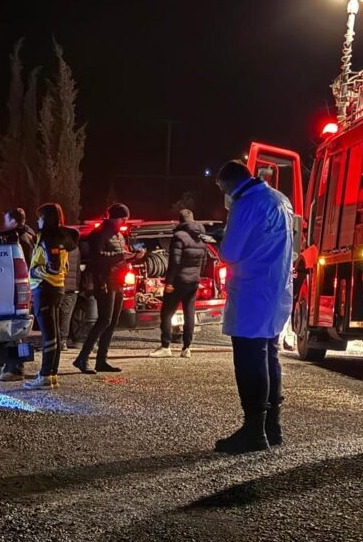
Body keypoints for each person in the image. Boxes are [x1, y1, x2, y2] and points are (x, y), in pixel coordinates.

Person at [214, 160, 294, 453]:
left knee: (249, 359)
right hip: (276, 290)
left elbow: (230, 252)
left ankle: (253, 431)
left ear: (230, 182)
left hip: (252, 290)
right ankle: (272, 426)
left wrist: (220, 243)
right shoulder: (279, 199)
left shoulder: (246, 203)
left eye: (222, 187)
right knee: (269, 355)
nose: (223, 194)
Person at [73, 203, 145, 374]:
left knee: (112, 321)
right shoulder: (99, 234)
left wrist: (134, 256)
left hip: (118, 281)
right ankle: (83, 358)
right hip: (104, 281)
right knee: (104, 319)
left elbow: (120, 257)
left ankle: (101, 360)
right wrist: (121, 256)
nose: (124, 222)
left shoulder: (119, 235)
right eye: (122, 218)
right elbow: (97, 257)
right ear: (113, 218)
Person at [22, 203, 81, 390]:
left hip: (44, 288)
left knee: (48, 334)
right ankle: (51, 374)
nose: (38, 221)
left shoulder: (48, 238)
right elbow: (63, 265)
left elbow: (54, 265)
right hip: (57, 288)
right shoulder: (61, 237)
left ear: (46, 218)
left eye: (40, 217)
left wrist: (36, 271)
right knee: (54, 332)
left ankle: (45, 375)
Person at [150, 209, 208, 359]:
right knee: (189, 313)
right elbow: (204, 261)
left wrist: (169, 282)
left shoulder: (179, 237)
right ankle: (187, 348)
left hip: (178, 281)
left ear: (180, 221)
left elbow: (174, 262)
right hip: (193, 281)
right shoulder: (201, 238)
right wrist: (198, 276)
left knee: (167, 313)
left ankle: (166, 346)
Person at [58, 239, 81, 351]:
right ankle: (63, 340)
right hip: (71, 288)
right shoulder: (75, 249)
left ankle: (56, 339)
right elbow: (77, 269)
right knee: (66, 315)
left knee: (55, 314)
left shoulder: (56, 247)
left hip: (57, 285)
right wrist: (77, 286)